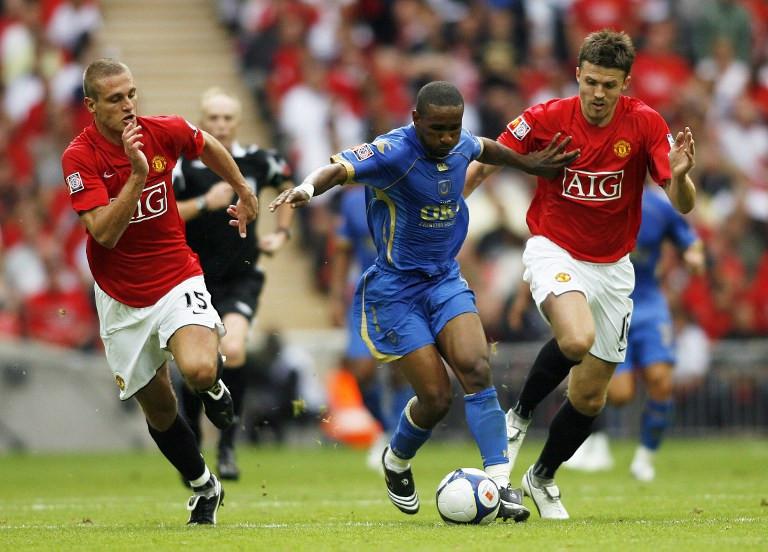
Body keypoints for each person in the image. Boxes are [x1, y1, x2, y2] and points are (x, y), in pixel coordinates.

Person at [269, 80, 579, 522]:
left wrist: (529, 163)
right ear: (416, 120)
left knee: (475, 367)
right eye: (437, 129)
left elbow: (486, 148)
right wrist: (305, 189)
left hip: (444, 279)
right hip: (396, 290)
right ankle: (396, 460)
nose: (447, 138)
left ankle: (500, 482)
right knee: (434, 397)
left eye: (453, 128)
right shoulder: (393, 151)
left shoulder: (460, 142)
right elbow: (337, 169)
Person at [465, 30, 696, 519]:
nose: (598, 94)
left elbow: (682, 205)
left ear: (625, 85)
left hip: (613, 267)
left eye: (609, 86)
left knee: (591, 396)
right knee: (575, 339)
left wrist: (680, 176)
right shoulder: (547, 117)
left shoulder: (647, 124)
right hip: (555, 249)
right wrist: (450, 206)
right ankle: (519, 415)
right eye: (591, 82)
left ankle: (542, 478)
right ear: (578, 75)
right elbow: (489, 159)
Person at [60, 59, 258, 525]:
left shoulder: (161, 129)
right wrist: (136, 174)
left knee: (197, 366)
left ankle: (212, 384)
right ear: (91, 106)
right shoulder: (79, 158)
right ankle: (203, 486)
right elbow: (104, 234)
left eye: (131, 94)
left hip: (175, 276)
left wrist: (241, 188)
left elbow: (204, 143)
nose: (129, 106)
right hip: (120, 296)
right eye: (115, 99)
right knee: (162, 407)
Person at [172, 87, 294, 481]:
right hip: (192, 281)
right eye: (214, 119)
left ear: (237, 122)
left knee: (236, 349)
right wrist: (205, 202)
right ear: (202, 122)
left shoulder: (257, 161)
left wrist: (282, 234)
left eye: (227, 119)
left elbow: (288, 186)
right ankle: (193, 442)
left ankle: (227, 446)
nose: (221, 126)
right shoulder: (184, 167)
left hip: (241, 277)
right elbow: (164, 214)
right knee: (197, 369)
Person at [562, 185, 705, 481]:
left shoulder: (658, 206)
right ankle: (590, 441)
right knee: (619, 394)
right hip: (612, 304)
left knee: (661, 381)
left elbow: (689, 239)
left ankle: (645, 458)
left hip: (650, 303)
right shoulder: (595, 201)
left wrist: (693, 255)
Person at [328, 184, 413, 470]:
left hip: (406, 291)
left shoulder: (410, 189)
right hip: (367, 294)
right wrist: (336, 297)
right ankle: (387, 428)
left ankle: (400, 440)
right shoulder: (353, 201)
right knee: (360, 369)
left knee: (402, 369)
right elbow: (343, 250)